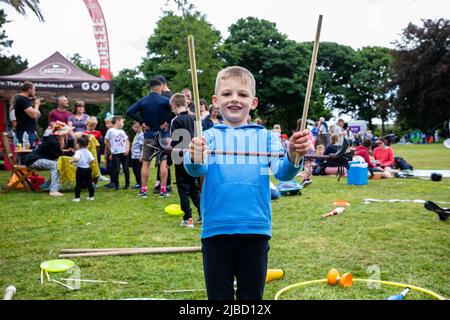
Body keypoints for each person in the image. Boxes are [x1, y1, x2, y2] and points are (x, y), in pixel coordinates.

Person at [184, 66, 310, 300]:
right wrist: (194, 155)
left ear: (253, 102)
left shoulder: (265, 137)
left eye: (242, 94)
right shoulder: (207, 136)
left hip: (255, 230)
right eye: (227, 94)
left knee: (251, 297)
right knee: (218, 298)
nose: (234, 99)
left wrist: (293, 154)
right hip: (215, 232)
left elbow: (283, 174)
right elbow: (194, 169)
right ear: (215, 100)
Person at [127, 78, 172, 198]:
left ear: (150, 88)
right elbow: (175, 109)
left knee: (146, 163)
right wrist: (167, 121)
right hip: (163, 135)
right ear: (161, 87)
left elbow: (129, 111)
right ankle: (163, 190)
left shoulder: (143, 101)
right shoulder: (165, 100)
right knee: (163, 162)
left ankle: (144, 191)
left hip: (148, 135)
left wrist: (142, 122)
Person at [170, 93, 201, 227]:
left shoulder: (175, 121)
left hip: (181, 157)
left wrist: (169, 155)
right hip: (193, 156)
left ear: (173, 105)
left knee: (183, 189)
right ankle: (202, 214)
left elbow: (175, 142)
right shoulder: (194, 118)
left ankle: (188, 218)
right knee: (194, 187)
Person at [25, 121, 71, 196]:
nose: (67, 135)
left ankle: (46, 186)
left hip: (34, 159)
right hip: (33, 160)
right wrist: (64, 143)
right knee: (55, 165)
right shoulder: (53, 142)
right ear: (62, 134)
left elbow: (58, 153)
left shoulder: (52, 139)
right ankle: (53, 190)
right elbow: (59, 155)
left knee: (56, 164)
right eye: (66, 133)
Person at [104, 116, 130, 190]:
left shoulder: (122, 131)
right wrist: (111, 149)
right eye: (122, 121)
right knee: (116, 169)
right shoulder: (110, 131)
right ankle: (116, 185)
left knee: (126, 168)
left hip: (124, 152)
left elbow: (127, 140)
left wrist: (127, 148)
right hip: (116, 153)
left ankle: (127, 184)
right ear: (117, 121)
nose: (123, 123)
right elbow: (106, 141)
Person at [14, 81, 41, 147]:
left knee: (29, 153)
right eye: (34, 90)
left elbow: (33, 115)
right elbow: (34, 113)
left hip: (29, 131)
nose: (35, 92)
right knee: (25, 154)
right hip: (25, 132)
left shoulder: (24, 100)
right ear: (29, 89)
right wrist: (37, 104)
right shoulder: (22, 100)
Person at [71, 134, 95, 202]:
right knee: (89, 183)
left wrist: (71, 160)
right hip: (87, 169)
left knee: (78, 183)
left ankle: (77, 198)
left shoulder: (78, 152)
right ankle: (91, 196)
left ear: (78, 144)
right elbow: (92, 160)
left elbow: (77, 159)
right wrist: (88, 164)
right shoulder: (88, 152)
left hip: (80, 169)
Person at [130, 121, 144, 189]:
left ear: (141, 127)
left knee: (138, 170)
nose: (135, 128)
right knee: (135, 170)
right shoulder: (137, 134)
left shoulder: (141, 135)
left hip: (138, 156)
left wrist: (141, 155)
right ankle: (138, 182)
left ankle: (140, 183)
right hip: (134, 156)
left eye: (137, 127)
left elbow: (142, 146)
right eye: (134, 127)